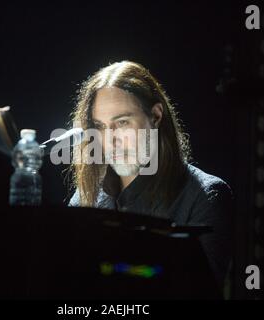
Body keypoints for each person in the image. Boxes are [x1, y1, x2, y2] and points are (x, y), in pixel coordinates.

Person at [67, 60, 233, 289]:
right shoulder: (88, 194)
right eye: (101, 126)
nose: (110, 140)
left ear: (155, 116)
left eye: (122, 122)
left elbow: (198, 290)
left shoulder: (205, 195)